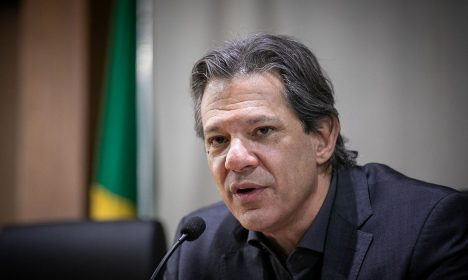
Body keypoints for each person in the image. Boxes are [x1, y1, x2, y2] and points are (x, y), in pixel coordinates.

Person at [164, 33, 468, 279]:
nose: (235, 159)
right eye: (218, 140)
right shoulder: (195, 246)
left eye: (262, 131)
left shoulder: (426, 228)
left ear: (322, 138)